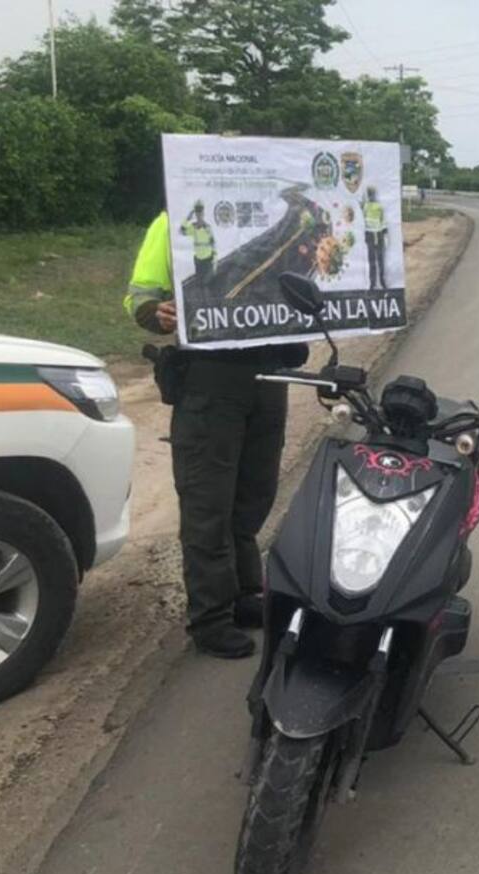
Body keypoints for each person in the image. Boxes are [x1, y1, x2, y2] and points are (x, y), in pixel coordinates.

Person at [124, 211, 307, 659]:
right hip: (210, 378)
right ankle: (209, 617)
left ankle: (245, 594)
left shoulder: (275, 215)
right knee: (209, 500)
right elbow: (141, 294)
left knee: (254, 494)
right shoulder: (172, 218)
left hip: (269, 374)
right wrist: (154, 312)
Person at [179, 201, 216, 289]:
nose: (199, 214)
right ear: (195, 214)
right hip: (198, 260)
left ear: (203, 213)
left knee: (207, 285)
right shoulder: (193, 227)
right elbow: (182, 231)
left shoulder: (208, 227)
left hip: (208, 260)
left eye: (200, 212)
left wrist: (214, 260)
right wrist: (187, 218)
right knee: (199, 286)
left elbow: (213, 244)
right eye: (197, 212)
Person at [362, 186, 387, 290]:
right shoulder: (366, 206)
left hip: (379, 234)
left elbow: (383, 220)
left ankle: (382, 281)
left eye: (372, 194)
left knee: (380, 260)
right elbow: (363, 220)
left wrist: (385, 232)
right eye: (369, 194)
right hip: (370, 235)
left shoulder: (379, 206)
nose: (371, 196)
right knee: (372, 260)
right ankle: (372, 283)